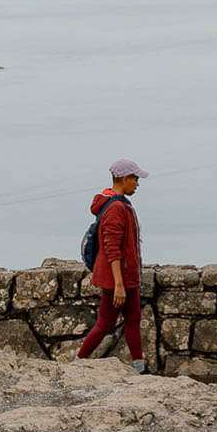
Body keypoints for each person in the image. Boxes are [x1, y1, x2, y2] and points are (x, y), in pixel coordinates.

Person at [77, 158, 148, 372]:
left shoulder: (118, 203)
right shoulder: (116, 207)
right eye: (135, 178)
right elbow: (111, 248)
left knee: (133, 319)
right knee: (105, 324)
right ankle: (79, 361)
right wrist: (118, 284)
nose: (137, 183)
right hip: (118, 278)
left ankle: (139, 366)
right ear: (124, 178)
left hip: (127, 277)